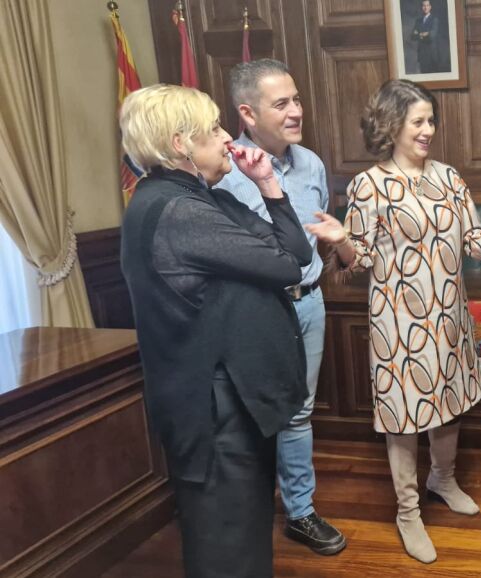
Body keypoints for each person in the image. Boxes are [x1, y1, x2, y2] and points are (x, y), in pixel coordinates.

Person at [304, 79, 481, 564]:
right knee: (405, 416)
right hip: (398, 324)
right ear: (392, 125)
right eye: (418, 121)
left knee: (448, 402)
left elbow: (471, 237)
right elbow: (359, 259)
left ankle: (442, 480)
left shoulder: (449, 177)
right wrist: (341, 240)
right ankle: (408, 512)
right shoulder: (368, 185)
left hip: (449, 316)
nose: (428, 129)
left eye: (431, 120)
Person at [119, 84, 311, 577]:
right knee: (229, 546)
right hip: (215, 411)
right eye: (214, 129)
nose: (229, 138)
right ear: (180, 144)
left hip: (232, 402)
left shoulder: (207, 200)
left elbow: (297, 253)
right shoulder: (179, 211)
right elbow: (287, 266)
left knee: (243, 531)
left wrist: (267, 183)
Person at [219, 58, 345, 556]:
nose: (296, 111)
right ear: (248, 113)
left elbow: (317, 237)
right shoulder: (223, 173)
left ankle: (299, 512)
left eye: (296, 99)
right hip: (257, 312)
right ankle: (245, 512)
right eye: (281, 104)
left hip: (309, 304)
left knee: (298, 413)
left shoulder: (311, 164)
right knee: (251, 412)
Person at [410, 0, 441, 73]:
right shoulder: (418, 21)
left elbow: (432, 35)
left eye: (427, 5)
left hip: (431, 54)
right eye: (424, 5)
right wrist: (424, 34)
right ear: (422, 7)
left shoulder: (434, 19)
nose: (425, 7)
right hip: (421, 54)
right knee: (423, 74)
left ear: (430, 7)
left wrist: (419, 34)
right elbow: (412, 36)